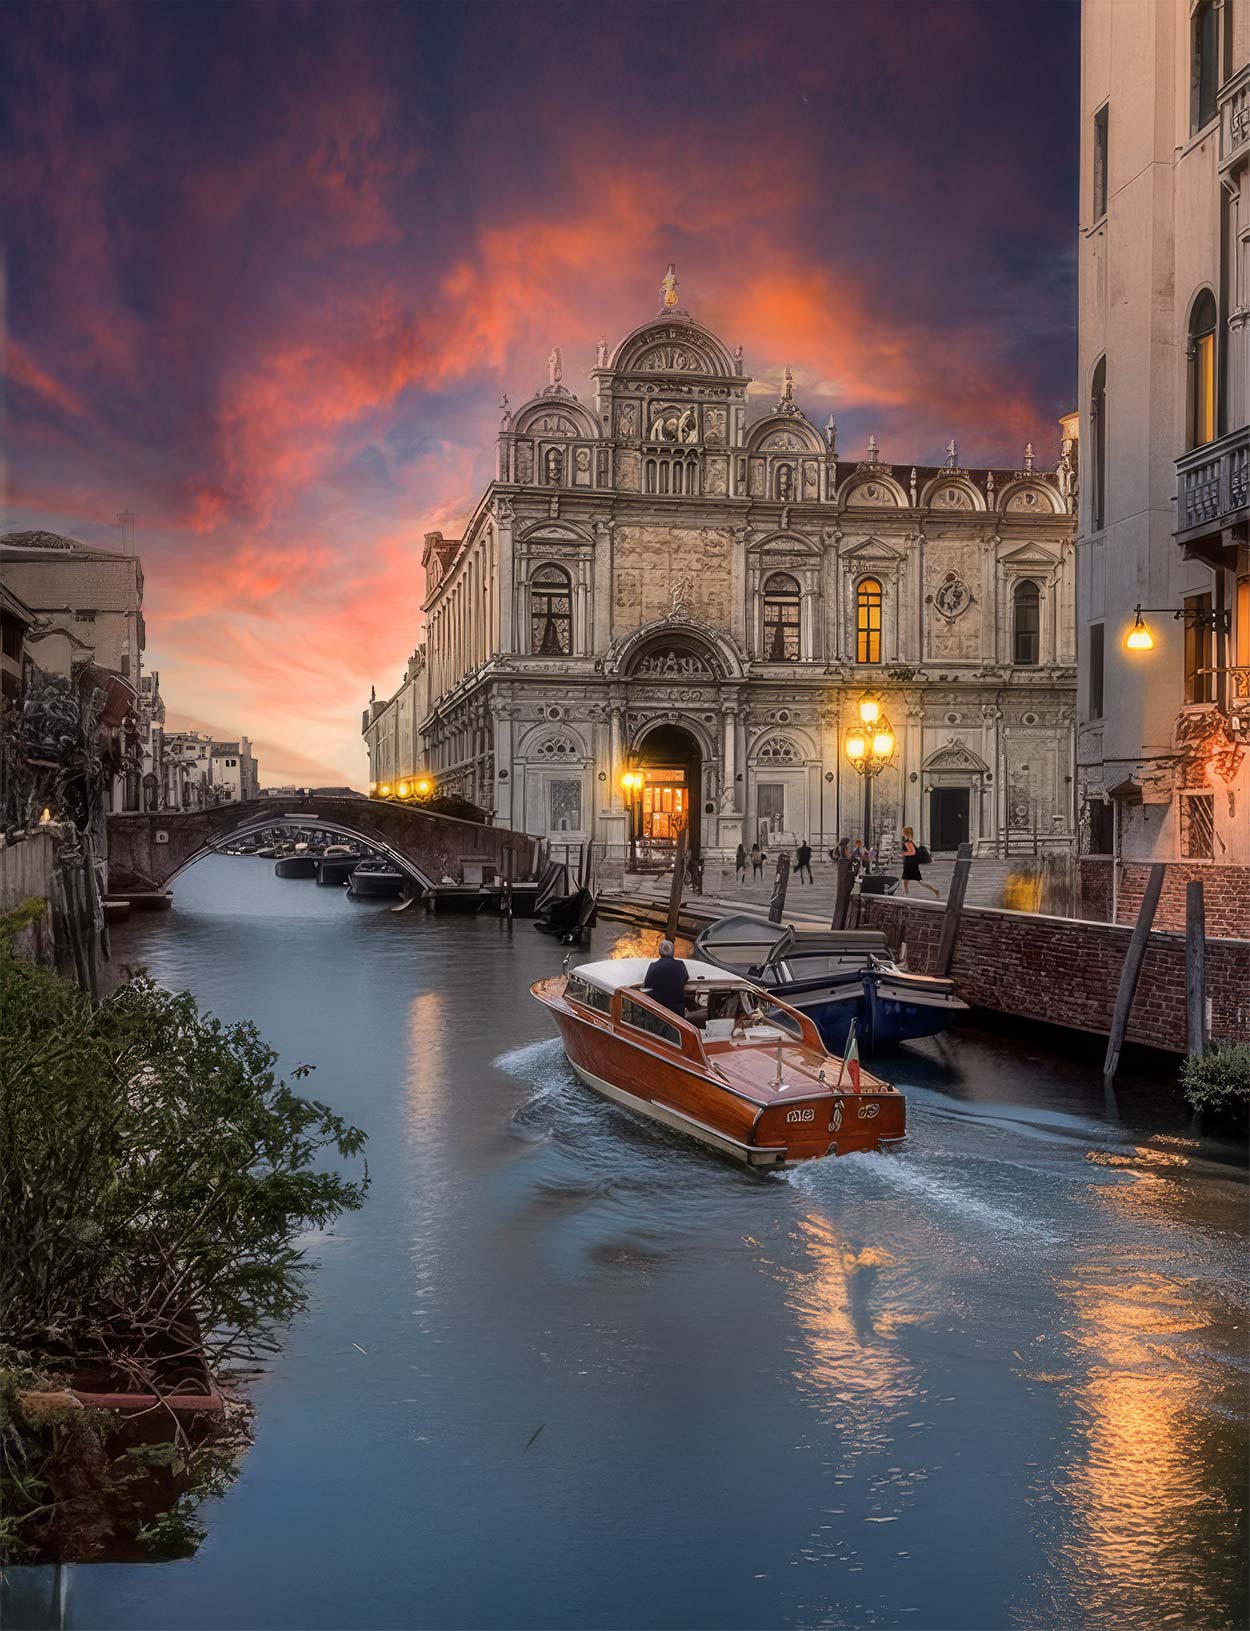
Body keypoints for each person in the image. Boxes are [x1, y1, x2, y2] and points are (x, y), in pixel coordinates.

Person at [643, 939, 689, 1018]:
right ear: (673, 951)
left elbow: (647, 984)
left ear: (660, 952)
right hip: (677, 1005)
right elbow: (686, 978)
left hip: (659, 1006)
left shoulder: (654, 966)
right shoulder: (680, 964)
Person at [901, 826, 939, 898]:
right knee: (909, 881)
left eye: (903, 831)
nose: (901, 832)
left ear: (905, 833)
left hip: (910, 864)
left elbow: (912, 852)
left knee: (910, 881)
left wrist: (902, 853)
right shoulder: (911, 841)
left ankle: (906, 896)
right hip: (912, 863)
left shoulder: (907, 842)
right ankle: (906, 896)